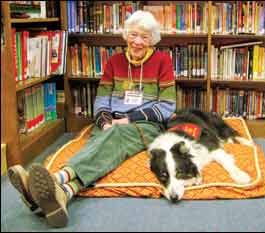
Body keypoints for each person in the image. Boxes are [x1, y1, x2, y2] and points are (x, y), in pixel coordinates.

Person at [7, 10, 176, 228]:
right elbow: (102, 101)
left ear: (152, 40)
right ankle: (64, 193)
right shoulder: (114, 61)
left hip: (145, 124)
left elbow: (167, 107)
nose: (137, 42)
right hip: (111, 121)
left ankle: (56, 178)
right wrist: (104, 121)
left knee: (113, 137)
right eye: (133, 35)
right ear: (126, 35)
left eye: (144, 37)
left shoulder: (163, 61)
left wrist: (126, 120)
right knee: (105, 142)